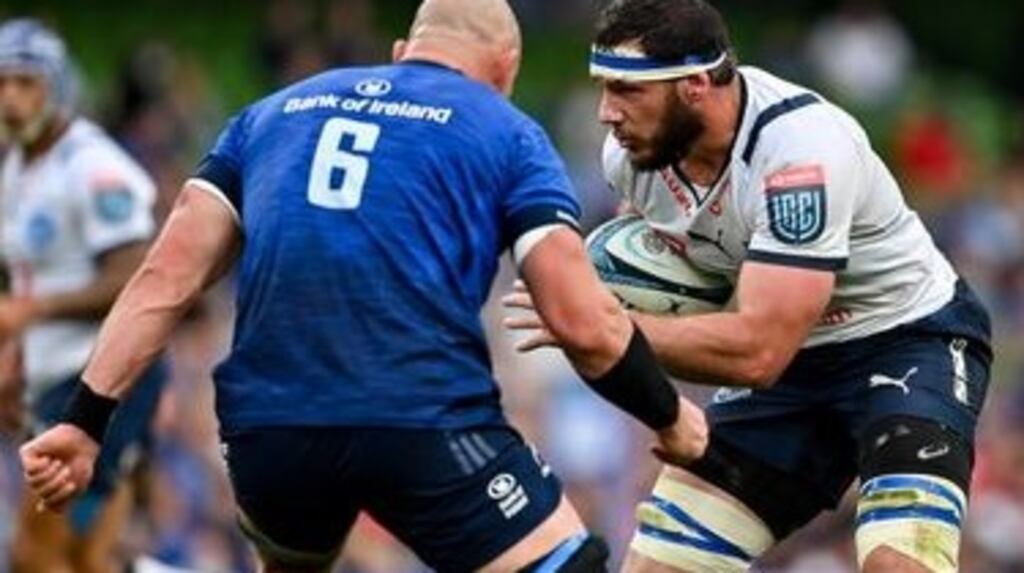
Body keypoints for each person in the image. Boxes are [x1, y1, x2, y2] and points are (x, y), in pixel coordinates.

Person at [17, 1, 708, 572]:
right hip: (419, 423)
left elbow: (163, 280)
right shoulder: (506, 130)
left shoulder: (268, 114)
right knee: (568, 563)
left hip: (267, 434)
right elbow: (583, 324)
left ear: (404, 50)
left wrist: (83, 421)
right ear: (505, 72)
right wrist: (672, 419)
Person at [506, 1, 992, 571]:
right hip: (792, 371)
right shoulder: (631, 158)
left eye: (626, 91)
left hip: (907, 342)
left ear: (692, 86)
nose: (606, 114)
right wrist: (615, 337)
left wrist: (602, 325)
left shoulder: (800, 155)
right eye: (604, 89)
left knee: (898, 564)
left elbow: (759, 352)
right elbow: (659, 274)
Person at [0, 18, 167, 573]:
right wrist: (14, 357)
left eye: (25, 83)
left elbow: (138, 273)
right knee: (88, 558)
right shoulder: (18, 168)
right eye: (1, 84)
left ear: (57, 87)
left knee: (35, 555)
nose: (11, 99)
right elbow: (27, 276)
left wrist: (36, 312)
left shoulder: (91, 166)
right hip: (58, 380)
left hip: (98, 377)